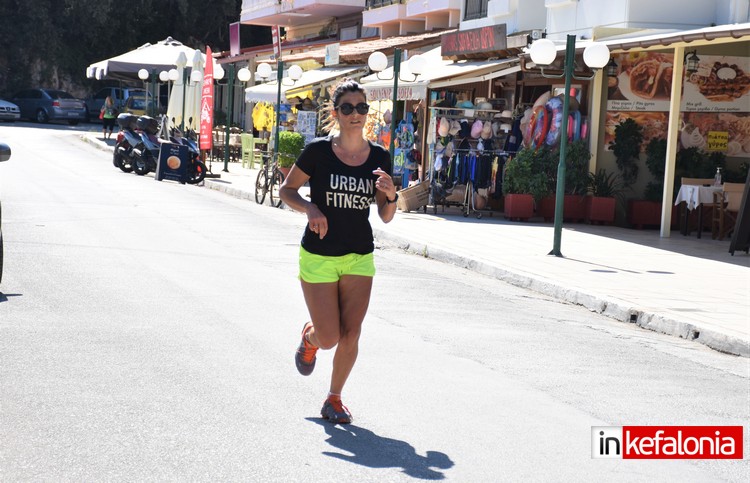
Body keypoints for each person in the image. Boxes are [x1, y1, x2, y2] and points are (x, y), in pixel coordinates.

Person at [279, 79, 399, 424]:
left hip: (359, 254)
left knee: (352, 332)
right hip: (319, 254)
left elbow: (386, 215)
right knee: (329, 336)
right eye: (347, 108)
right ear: (335, 113)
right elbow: (287, 190)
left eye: (361, 107)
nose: (355, 114)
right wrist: (310, 209)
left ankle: (334, 398)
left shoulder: (379, 156)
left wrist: (391, 195)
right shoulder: (318, 151)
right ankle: (311, 338)